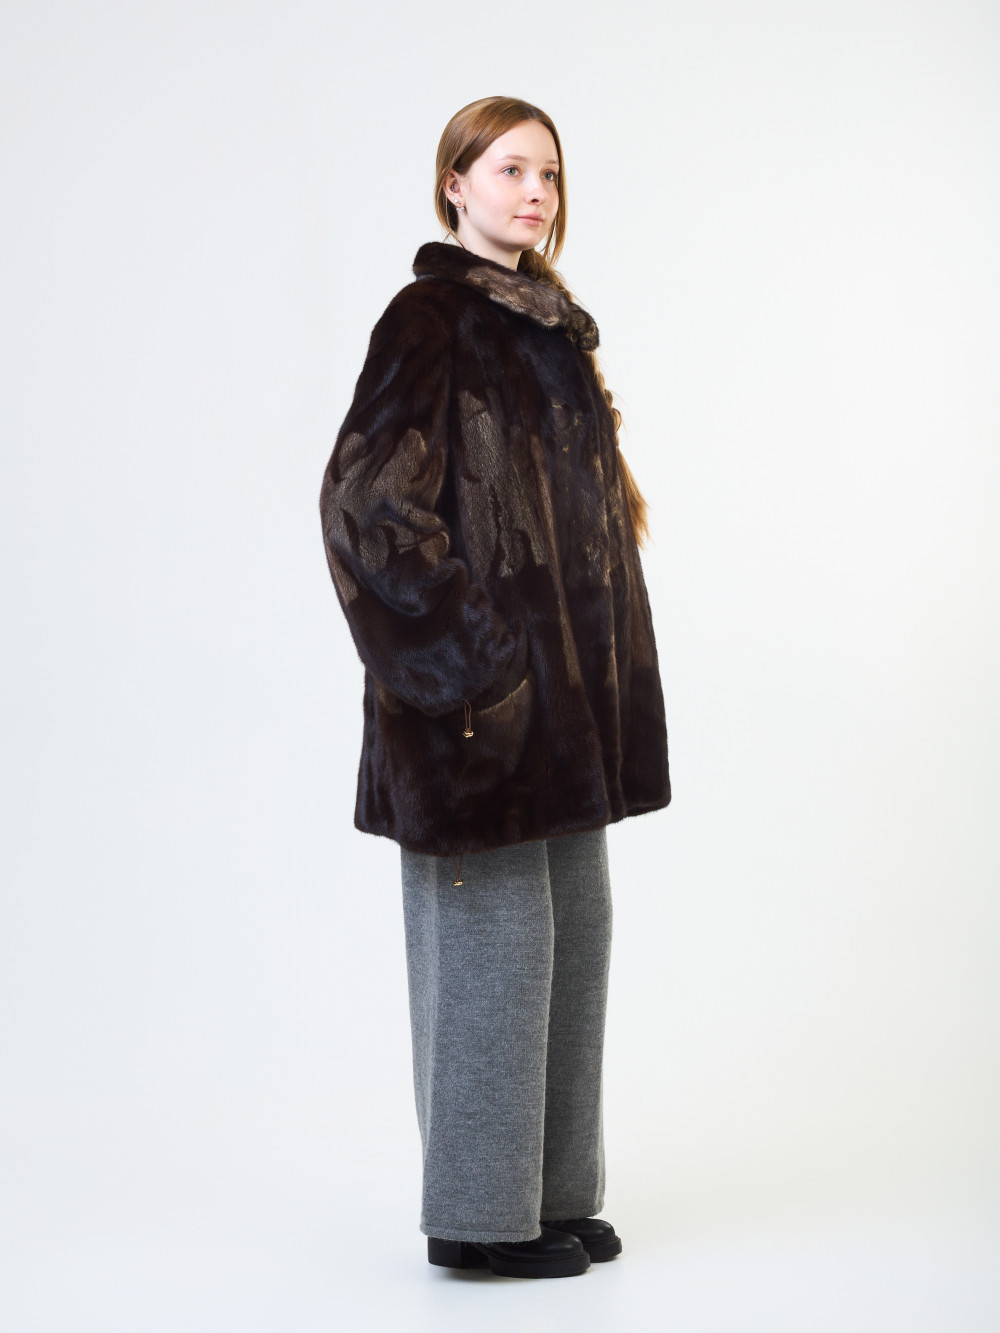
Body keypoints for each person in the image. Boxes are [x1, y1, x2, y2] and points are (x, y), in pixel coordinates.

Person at [318, 95, 671, 1279]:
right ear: (454, 186)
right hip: (475, 715)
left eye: (549, 175)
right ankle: (478, 1215)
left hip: (564, 723)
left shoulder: (552, 327)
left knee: (574, 936)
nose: (533, 193)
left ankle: (548, 1193)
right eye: (509, 169)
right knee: (496, 947)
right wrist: (478, 666)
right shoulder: (429, 320)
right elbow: (366, 507)